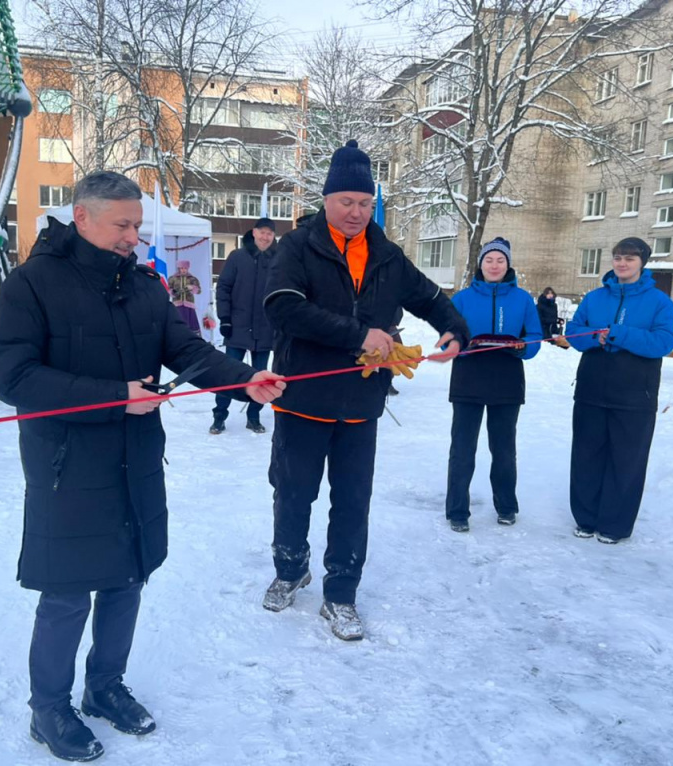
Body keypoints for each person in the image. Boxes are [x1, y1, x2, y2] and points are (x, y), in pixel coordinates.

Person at [0, 172, 284, 763]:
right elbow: (13, 379)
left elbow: (186, 349)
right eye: (122, 225)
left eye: (136, 225)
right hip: (66, 466)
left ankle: (104, 687)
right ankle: (48, 707)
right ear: (82, 218)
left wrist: (243, 379)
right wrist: (113, 394)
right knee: (67, 592)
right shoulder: (31, 285)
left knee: (127, 579)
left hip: (135, 459)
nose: (133, 236)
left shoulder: (145, 286)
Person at [261, 140, 469, 641]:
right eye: (346, 202)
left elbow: (429, 297)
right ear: (327, 200)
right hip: (303, 399)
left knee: (353, 500)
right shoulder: (298, 246)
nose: (355, 212)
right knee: (294, 493)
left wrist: (454, 328)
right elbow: (282, 306)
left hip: (360, 403)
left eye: (364, 203)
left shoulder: (387, 255)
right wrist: (358, 335)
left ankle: (341, 594)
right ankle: (290, 569)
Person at [565, 237, 673, 544]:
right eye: (617, 257)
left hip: (634, 396)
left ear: (642, 262)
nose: (622, 263)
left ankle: (615, 524)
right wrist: (594, 339)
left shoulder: (659, 302)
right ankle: (585, 518)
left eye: (629, 258)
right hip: (591, 391)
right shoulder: (595, 298)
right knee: (586, 456)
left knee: (626, 461)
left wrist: (618, 334)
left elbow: (663, 343)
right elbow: (574, 331)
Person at [445, 237, 542, 532]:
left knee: (503, 448)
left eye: (500, 260)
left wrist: (523, 347)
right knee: (463, 448)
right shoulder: (462, 298)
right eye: (489, 260)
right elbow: (447, 335)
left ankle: (507, 506)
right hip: (468, 378)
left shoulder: (523, 299)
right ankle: (457, 511)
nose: (495, 265)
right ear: (480, 263)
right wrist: (461, 345)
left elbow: (535, 335)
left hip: (507, 380)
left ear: (508, 263)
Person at [210, 216, 277, 435]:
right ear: (254, 232)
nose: (265, 237)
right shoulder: (237, 256)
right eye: (262, 232)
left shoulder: (278, 259)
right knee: (229, 375)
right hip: (237, 327)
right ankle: (219, 416)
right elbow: (224, 289)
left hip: (265, 330)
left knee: (261, 377)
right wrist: (225, 318)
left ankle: (254, 416)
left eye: (270, 233)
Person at [167, 259, 201, 333]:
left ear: (188, 268)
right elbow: (168, 289)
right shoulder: (173, 278)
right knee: (178, 323)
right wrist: (173, 292)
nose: (183, 270)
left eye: (185, 268)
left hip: (189, 305)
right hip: (177, 305)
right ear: (179, 268)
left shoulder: (192, 279)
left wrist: (192, 287)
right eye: (182, 268)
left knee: (191, 325)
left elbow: (199, 290)